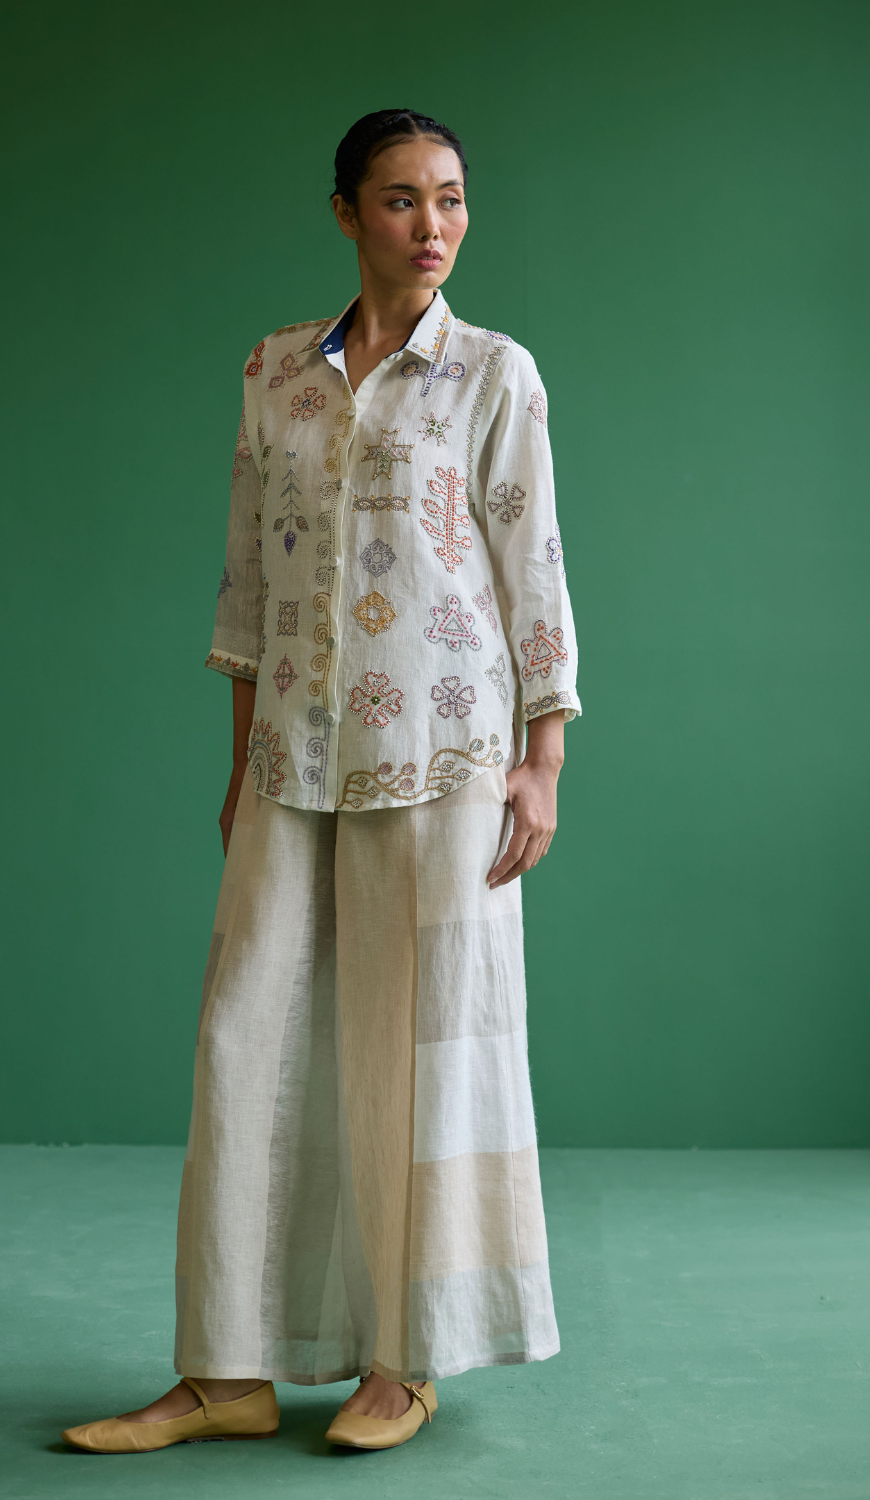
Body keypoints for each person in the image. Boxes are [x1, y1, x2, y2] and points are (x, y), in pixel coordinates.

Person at [63, 106, 580, 1457]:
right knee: (248, 1040)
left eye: (451, 198)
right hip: (294, 755)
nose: (433, 226)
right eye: (403, 199)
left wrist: (542, 760)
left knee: (422, 1049)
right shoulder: (275, 372)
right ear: (346, 212)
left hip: (448, 754)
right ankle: (225, 1372)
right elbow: (247, 580)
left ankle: (404, 1361)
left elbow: (533, 566)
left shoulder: (493, 374)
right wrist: (239, 763)